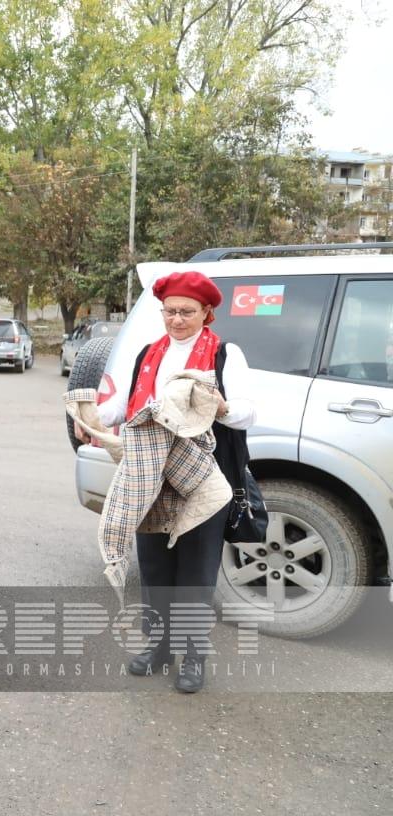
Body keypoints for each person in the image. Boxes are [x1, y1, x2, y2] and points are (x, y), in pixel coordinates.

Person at [78, 271, 256, 694]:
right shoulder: (148, 354)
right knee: (156, 569)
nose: (176, 320)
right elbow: (125, 404)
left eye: (186, 312)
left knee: (195, 573)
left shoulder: (225, 355)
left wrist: (221, 407)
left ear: (207, 313)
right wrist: (92, 418)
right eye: (170, 311)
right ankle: (158, 649)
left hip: (202, 480)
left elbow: (249, 414)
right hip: (150, 477)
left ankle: (193, 656)